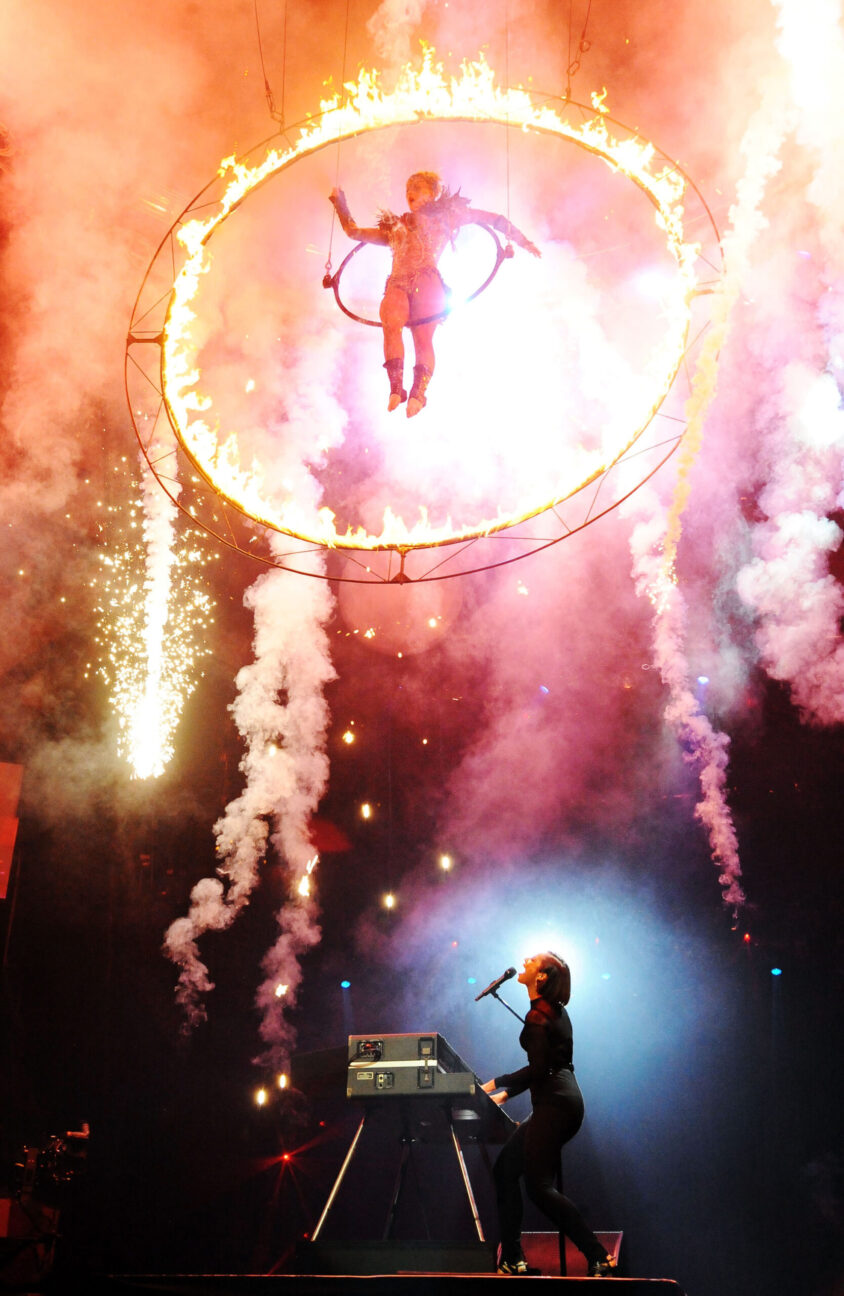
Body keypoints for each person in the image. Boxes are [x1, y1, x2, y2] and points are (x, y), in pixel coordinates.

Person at [329, 171, 540, 417]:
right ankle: (396, 388)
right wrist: (339, 202)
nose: (411, 192)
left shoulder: (447, 218)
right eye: (408, 188)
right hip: (397, 282)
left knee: (422, 339)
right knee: (391, 323)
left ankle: (418, 393)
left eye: (417, 187)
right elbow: (353, 232)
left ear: (432, 193)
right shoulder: (394, 228)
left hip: (427, 281)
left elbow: (494, 219)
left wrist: (523, 242)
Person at [481, 951, 618, 1277]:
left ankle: (598, 1256)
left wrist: (501, 1086)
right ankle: (513, 1259)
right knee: (505, 1172)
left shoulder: (539, 1016)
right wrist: (501, 1088)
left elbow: (540, 1069)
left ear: (541, 977)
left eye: (533, 961)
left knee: (539, 1187)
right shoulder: (551, 1012)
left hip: (556, 1102)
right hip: (561, 1100)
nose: (526, 959)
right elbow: (545, 1066)